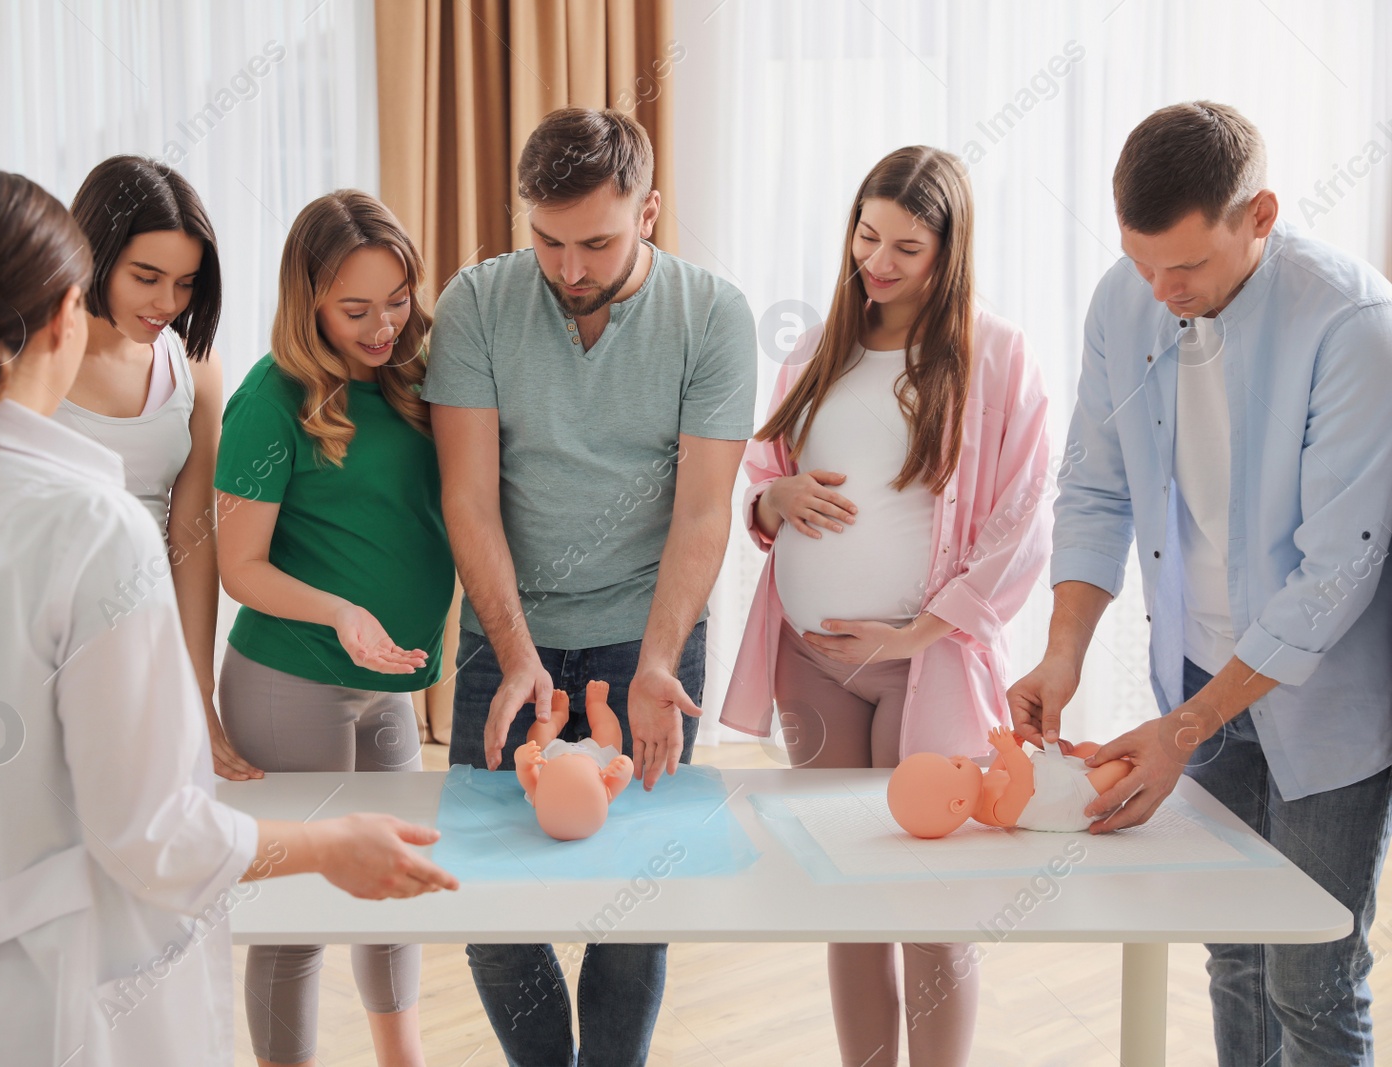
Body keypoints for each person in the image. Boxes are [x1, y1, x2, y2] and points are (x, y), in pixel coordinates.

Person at [0, 166, 456, 1067]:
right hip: (57, 997)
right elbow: (154, 838)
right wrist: (328, 844)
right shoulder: (92, 526)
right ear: (70, 314)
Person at [1008, 101, 1392, 1066]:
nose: (1162, 290)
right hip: (1195, 663)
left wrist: (1184, 732)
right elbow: (1095, 489)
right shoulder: (1125, 299)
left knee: (1310, 972)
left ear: (1259, 215)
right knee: (1230, 949)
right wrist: (1063, 654)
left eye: (1185, 267)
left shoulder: (1354, 325)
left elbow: (1334, 572)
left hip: (1329, 698)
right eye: (1144, 264)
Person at [424, 106, 756, 1067]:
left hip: (646, 634)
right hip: (506, 631)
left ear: (649, 212)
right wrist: (516, 652)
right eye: (547, 240)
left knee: (633, 895)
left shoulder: (713, 315)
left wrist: (658, 661)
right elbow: (469, 499)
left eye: (597, 243)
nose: (569, 269)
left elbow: (702, 512)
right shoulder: (478, 305)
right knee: (491, 896)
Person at [719, 146, 1051, 1067]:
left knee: (929, 894)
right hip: (810, 659)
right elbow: (760, 472)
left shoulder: (998, 356)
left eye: (908, 246)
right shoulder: (815, 348)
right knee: (848, 893)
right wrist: (767, 503)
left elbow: (1023, 516)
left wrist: (919, 628)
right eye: (867, 235)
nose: (880, 260)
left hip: (925, 664)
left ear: (951, 252)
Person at [215, 190, 452, 1067]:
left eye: (397, 298)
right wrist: (341, 610)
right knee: (297, 912)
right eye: (357, 308)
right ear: (307, 299)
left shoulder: (421, 376)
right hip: (291, 677)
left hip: (387, 678)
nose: (385, 323)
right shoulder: (270, 401)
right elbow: (241, 567)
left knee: (397, 884)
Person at [54, 155, 261, 781]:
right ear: (93, 252)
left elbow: (192, 533)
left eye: (186, 282)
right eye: (146, 277)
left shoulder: (195, 367)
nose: (167, 302)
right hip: (39, 635)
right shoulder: (22, 353)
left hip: (142, 634)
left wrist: (197, 688)